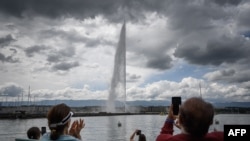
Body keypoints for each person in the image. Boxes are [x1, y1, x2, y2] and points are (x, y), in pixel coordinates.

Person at [156, 97, 224, 141]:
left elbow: (163, 135)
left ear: (180, 120)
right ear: (211, 121)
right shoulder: (219, 137)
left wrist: (170, 118)